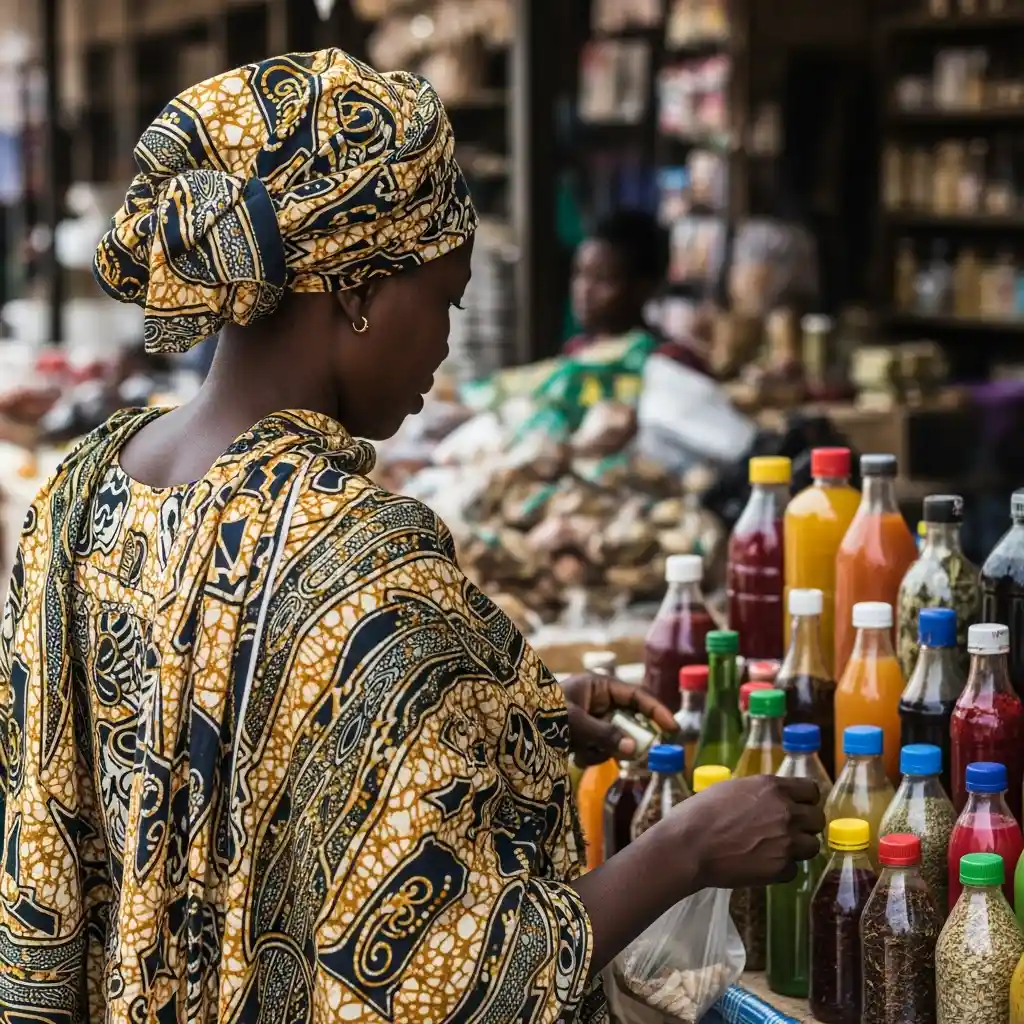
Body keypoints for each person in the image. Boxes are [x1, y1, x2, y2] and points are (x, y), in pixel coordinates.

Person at [0, 50, 822, 1023]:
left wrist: (494, 714)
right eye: (444, 297)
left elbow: (210, 739)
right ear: (354, 291)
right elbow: (456, 981)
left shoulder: (79, 493)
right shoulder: (368, 563)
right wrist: (687, 850)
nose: (445, 340)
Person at [565, 210, 710, 375]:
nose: (584, 290)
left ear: (644, 288)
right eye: (579, 274)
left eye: (603, 280)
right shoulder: (575, 354)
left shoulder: (669, 363)